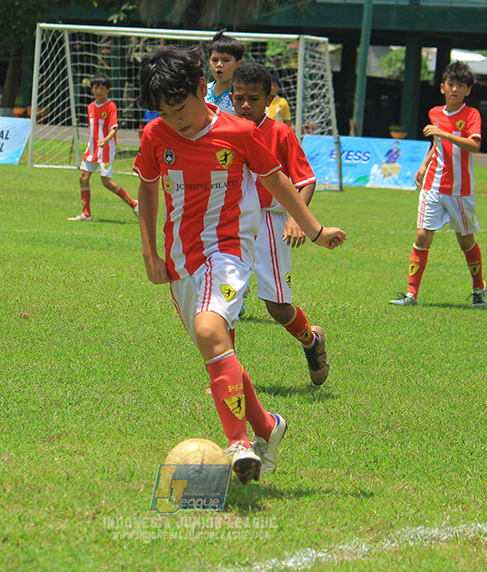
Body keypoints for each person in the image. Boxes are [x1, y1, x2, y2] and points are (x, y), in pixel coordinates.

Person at [134, 46, 345, 484]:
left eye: (180, 108)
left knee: (211, 332)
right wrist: (150, 252)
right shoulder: (156, 136)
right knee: (218, 350)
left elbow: (278, 179)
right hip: (180, 263)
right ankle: (269, 426)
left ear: (200, 89)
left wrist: (316, 229)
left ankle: (238, 442)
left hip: (227, 251)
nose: (175, 120)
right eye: (165, 112)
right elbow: (149, 189)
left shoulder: (238, 132)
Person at [231, 63, 328, 385]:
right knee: (223, 300)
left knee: (278, 308)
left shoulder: (280, 133)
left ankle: (311, 341)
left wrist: (295, 218)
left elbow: (306, 180)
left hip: (270, 223)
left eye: (253, 99)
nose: (245, 105)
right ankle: (226, 377)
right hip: (230, 223)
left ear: (269, 98)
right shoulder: (224, 130)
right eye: (239, 97)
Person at [390, 61, 486, 307]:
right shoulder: (435, 113)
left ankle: (478, 288)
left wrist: (444, 134)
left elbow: (474, 145)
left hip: (460, 190)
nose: (455, 89)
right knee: (422, 236)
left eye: (461, 85)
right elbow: (437, 146)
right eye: (451, 84)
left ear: (468, 90)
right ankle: (411, 294)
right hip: (433, 186)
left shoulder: (471, 115)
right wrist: (424, 165)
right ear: (442, 87)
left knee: (465, 240)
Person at [68, 74, 139, 221]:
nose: (98, 91)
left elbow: (114, 128)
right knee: (83, 177)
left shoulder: (111, 106)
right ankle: (86, 214)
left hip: (106, 148)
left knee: (106, 182)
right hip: (92, 148)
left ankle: (133, 204)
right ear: (92, 90)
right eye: (95, 88)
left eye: (102, 88)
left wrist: (105, 140)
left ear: (108, 90)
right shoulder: (90, 107)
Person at [204, 29, 244, 115]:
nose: (219, 64)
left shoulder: (243, 96)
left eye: (225, 60)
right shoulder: (201, 92)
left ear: (238, 64)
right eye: (214, 60)